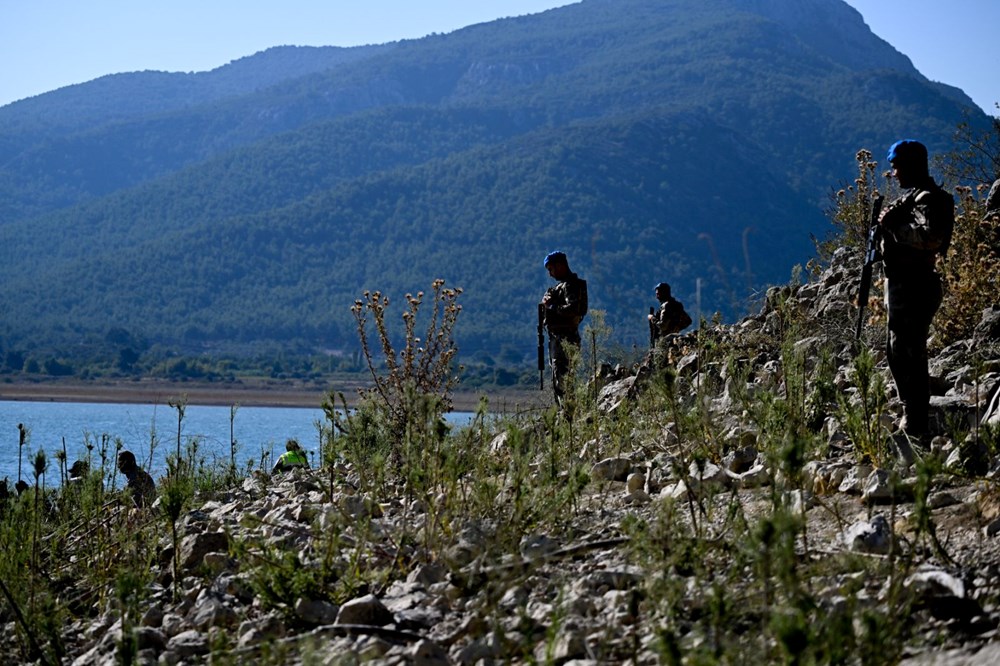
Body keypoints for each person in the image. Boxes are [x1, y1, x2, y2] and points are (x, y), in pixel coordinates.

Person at [878, 139, 954, 438]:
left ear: (912, 165)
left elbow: (931, 237)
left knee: (909, 353)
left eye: (897, 167)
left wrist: (893, 227)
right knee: (897, 350)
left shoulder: (928, 199)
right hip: (903, 284)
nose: (894, 173)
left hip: (915, 285)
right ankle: (912, 413)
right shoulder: (913, 198)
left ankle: (916, 420)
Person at [540, 251, 588, 405]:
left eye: (551, 269)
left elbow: (572, 309)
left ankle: (568, 411)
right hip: (559, 338)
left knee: (563, 379)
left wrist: (551, 306)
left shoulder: (570, 285)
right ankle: (565, 410)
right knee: (559, 377)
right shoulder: (563, 286)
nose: (550, 274)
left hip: (565, 339)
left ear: (560, 266)